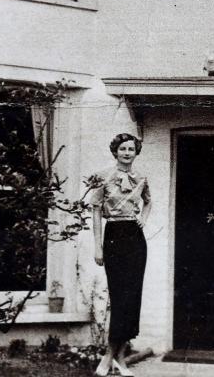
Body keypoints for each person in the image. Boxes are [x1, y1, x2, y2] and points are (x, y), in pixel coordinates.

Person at [90, 133, 151, 377]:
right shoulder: (102, 177)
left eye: (131, 149)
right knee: (119, 297)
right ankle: (110, 357)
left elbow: (149, 202)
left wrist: (143, 220)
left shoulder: (141, 177)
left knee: (132, 298)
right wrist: (97, 246)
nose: (127, 152)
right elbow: (95, 212)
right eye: (123, 149)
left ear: (136, 152)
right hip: (113, 234)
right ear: (115, 151)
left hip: (135, 238)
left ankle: (118, 358)